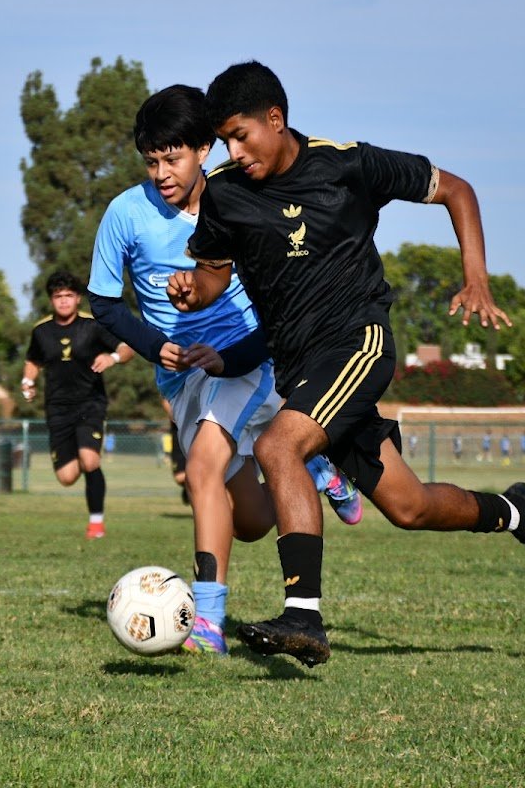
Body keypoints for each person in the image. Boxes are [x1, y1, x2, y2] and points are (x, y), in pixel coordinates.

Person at [168, 61, 525, 667]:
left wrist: (476, 277)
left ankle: (304, 616)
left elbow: (456, 189)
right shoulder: (225, 193)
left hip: (359, 342)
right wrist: (190, 291)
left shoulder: (348, 164)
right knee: (410, 507)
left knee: (280, 448)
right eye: (225, 139)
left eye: (241, 135)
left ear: (275, 120)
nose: (233, 150)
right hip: (298, 369)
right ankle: (515, 512)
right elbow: (212, 277)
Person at [88, 85, 361, 655]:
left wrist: (244, 352)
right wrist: (152, 345)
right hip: (182, 377)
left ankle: (206, 619)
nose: (162, 171)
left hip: (245, 358)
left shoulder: (240, 200)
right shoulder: (125, 213)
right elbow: (107, 304)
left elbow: (280, 297)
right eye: (152, 160)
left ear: (205, 150)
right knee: (251, 520)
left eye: (174, 157)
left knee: (202, 466)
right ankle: (314, 468)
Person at [23, 271, 134, 540]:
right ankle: (84, 476)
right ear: (51, 300)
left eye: (69, 296)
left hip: (90, 403)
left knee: (90, 459)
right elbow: (33, 361)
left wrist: (113, 358)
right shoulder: (41, 331)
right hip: (57, 408)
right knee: (67, 476)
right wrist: (27, 381)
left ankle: (96, 523)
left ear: (78, 298)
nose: (63, 301)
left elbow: (127, 347)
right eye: (58, 296)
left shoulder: (92, 325)